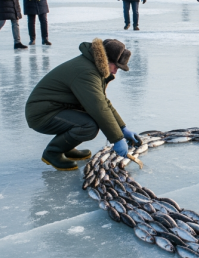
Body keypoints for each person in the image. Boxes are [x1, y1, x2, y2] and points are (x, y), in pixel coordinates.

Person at [25, 38, 142, 170]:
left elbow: (102, 101)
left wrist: (122, 128)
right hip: (42, 114)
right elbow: (99, 108)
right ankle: (53, 152)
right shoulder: (87, 73)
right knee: (88, 126)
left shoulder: (93, 66)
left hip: (56, 108)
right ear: (107, 60)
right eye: (116, 67)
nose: (115, 72)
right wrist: (117, 138)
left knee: (89, 119)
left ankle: (66, 146)